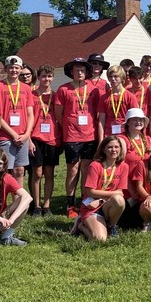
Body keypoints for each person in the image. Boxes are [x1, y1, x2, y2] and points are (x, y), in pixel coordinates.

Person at [54, 57, 98, 219]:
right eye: (76, 70)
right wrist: (68, 125)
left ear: (87, 72)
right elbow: (58, 113)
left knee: (87, 169)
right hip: (72, 136)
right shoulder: (63, 89)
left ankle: (85, 201)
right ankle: (70, 204)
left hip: (90, 135)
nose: (79, 73)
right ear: (71, 72)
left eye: (82, 70)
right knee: (73, 170)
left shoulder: (93, 89)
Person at [0, 55, 35, 184]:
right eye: (10, 68)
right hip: (6, 135)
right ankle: (3, 201)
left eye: (17, 68)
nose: (14, 70)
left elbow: (30, 114)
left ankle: (18, 201)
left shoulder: (26, 88)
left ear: (21, 69)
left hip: (23, 136)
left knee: (20, 170)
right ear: (5, 69)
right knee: (4, 170)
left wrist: (26, 135)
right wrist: (14, 134)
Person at [76, 134, 128, 240]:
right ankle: (80, 225)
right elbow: (90, 191)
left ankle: (112, 226)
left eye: (116, 147)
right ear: (104, 150)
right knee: (100, 239)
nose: (113, 150)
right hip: (91, 205)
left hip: (106, 203)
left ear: (120, 149)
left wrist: (102, 200)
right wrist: (113, 194)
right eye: (110, 147)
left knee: (119, 201)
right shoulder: (95, 165)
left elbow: (120, 192)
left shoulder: (123, 166)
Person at [29, 64, 60, 216]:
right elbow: (26, 119)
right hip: (35, 137)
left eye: (49, 76)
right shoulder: (32, 95)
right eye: (43, 76)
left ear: (52, 78)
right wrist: (28, 139)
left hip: (52, 138)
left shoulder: (56, 96)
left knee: (49, 172)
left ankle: (46, 205)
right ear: (38, 77)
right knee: (37, 172)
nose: (46, 79)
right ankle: (36, 205)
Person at [97, 65, 140, 139]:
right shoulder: (104, 98)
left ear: (122, 77)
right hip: (109, 135)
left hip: (125, 136)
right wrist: (101, 141)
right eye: (110, 77)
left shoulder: (130, 97)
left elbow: (135, 119)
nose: (113, 79)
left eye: (116, 76)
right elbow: (101, 121)